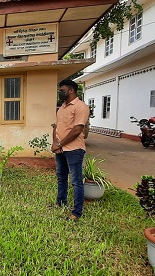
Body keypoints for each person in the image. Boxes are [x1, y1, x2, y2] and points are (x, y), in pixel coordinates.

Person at [51, 79, 89, 220]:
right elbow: (56, 127)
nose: (60, 93)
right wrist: (55, 143)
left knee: (76, 181)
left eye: (62, 90)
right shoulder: (62, 107)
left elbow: (77, 129)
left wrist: (60, 144)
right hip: (61, 149)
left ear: (71, 90)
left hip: (74, 149)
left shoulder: (81, 107)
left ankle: (76, 212)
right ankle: (60, 202)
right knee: (61, 177)